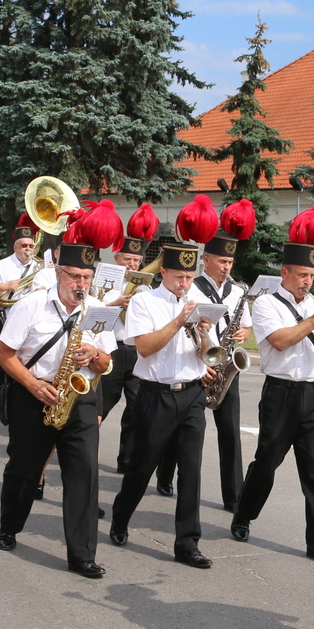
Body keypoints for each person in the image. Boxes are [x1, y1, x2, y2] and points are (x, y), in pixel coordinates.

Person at [0, 207, 119, 578]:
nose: (81, 284)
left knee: (84, 475)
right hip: (33, 394)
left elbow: (108, 361)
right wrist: (33, 384)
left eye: (86, 277)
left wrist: (95, 354)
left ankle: (81, 554)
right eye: (75, 276)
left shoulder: (96, 309)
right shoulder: (31, 304)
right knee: (23, 469)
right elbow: (4, 353)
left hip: (79, 398)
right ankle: (9, 524)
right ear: (58, 273)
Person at [232, 203, 314, 563]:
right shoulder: (267, 304)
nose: (307, 282)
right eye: (301, 275)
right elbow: (281, 341)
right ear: (284, 272)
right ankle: (244, 513)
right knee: (267, 461)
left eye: (312, 276)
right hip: (281, 393)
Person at [108, 236, 216, 569]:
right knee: (142, 467)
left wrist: (204, 334)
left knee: (192, 471)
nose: (185, 283)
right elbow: (144, 347)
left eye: (189, 277)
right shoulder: (145, 302)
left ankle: (187, 543)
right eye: (179, 277)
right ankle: (120, 517)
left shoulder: (197, 301)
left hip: (192, 394)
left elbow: (205, 351)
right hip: (155, 395)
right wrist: (179, 320)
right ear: (164, 272)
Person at [186, 202, 257, 511]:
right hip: (197, 367)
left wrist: (243, 335)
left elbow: (247, 328)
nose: (227, 267)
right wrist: (200, 361)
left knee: (230, 434)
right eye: (222, 261)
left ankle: (234, 495)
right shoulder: (193, 289)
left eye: (230, 261)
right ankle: (165, 474)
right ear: (207, 260)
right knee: (186, 433)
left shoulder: (238, 290)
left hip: (227, 368)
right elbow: (184, 331)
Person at [0, 218, 54, 425]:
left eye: (30, 245)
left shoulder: (40, 266)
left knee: (26, 359)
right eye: (23, 245)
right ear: (15, 247)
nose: (28, 249)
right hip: (6, 317)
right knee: (4, 359)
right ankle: (0, 398)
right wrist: (5, 286)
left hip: (31, 321)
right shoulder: (2, 266)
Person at [101, 204, 154, 477]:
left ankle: (127, 460)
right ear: (116, 258)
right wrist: (115, 304)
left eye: (136, 261)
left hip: (135, 350)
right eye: (127, 260)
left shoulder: (145, 287)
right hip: (110, 348)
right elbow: (92, 315)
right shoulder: (104, 281)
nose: (132, 265)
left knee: (136, 410)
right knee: (102, 405)